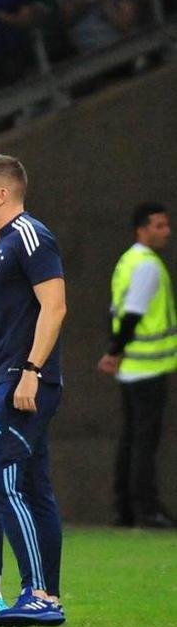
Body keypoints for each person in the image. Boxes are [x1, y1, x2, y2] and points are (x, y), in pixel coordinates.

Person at [0, 153, 67, 627]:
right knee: (33, 487)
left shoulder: (30, 235)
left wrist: (32, 370)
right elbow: (19, 313)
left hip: (23, 378)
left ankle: (38, 592)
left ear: (2, 193)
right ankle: (47, 593)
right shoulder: (7, 242)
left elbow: (55, 306)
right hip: (9, 373)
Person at [98, 203, 175, 529]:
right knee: (144, 440)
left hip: (134, 367)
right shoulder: (147, 265)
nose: (166, 231)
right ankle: (146, 508)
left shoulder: (128, 260)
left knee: (131, 437)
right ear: (141, 230)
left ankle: (125, 508)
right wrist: (114, 351)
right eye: (159, 226)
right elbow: (132, 313)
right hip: (147, 367)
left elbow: (116, 312)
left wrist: (115, 350)